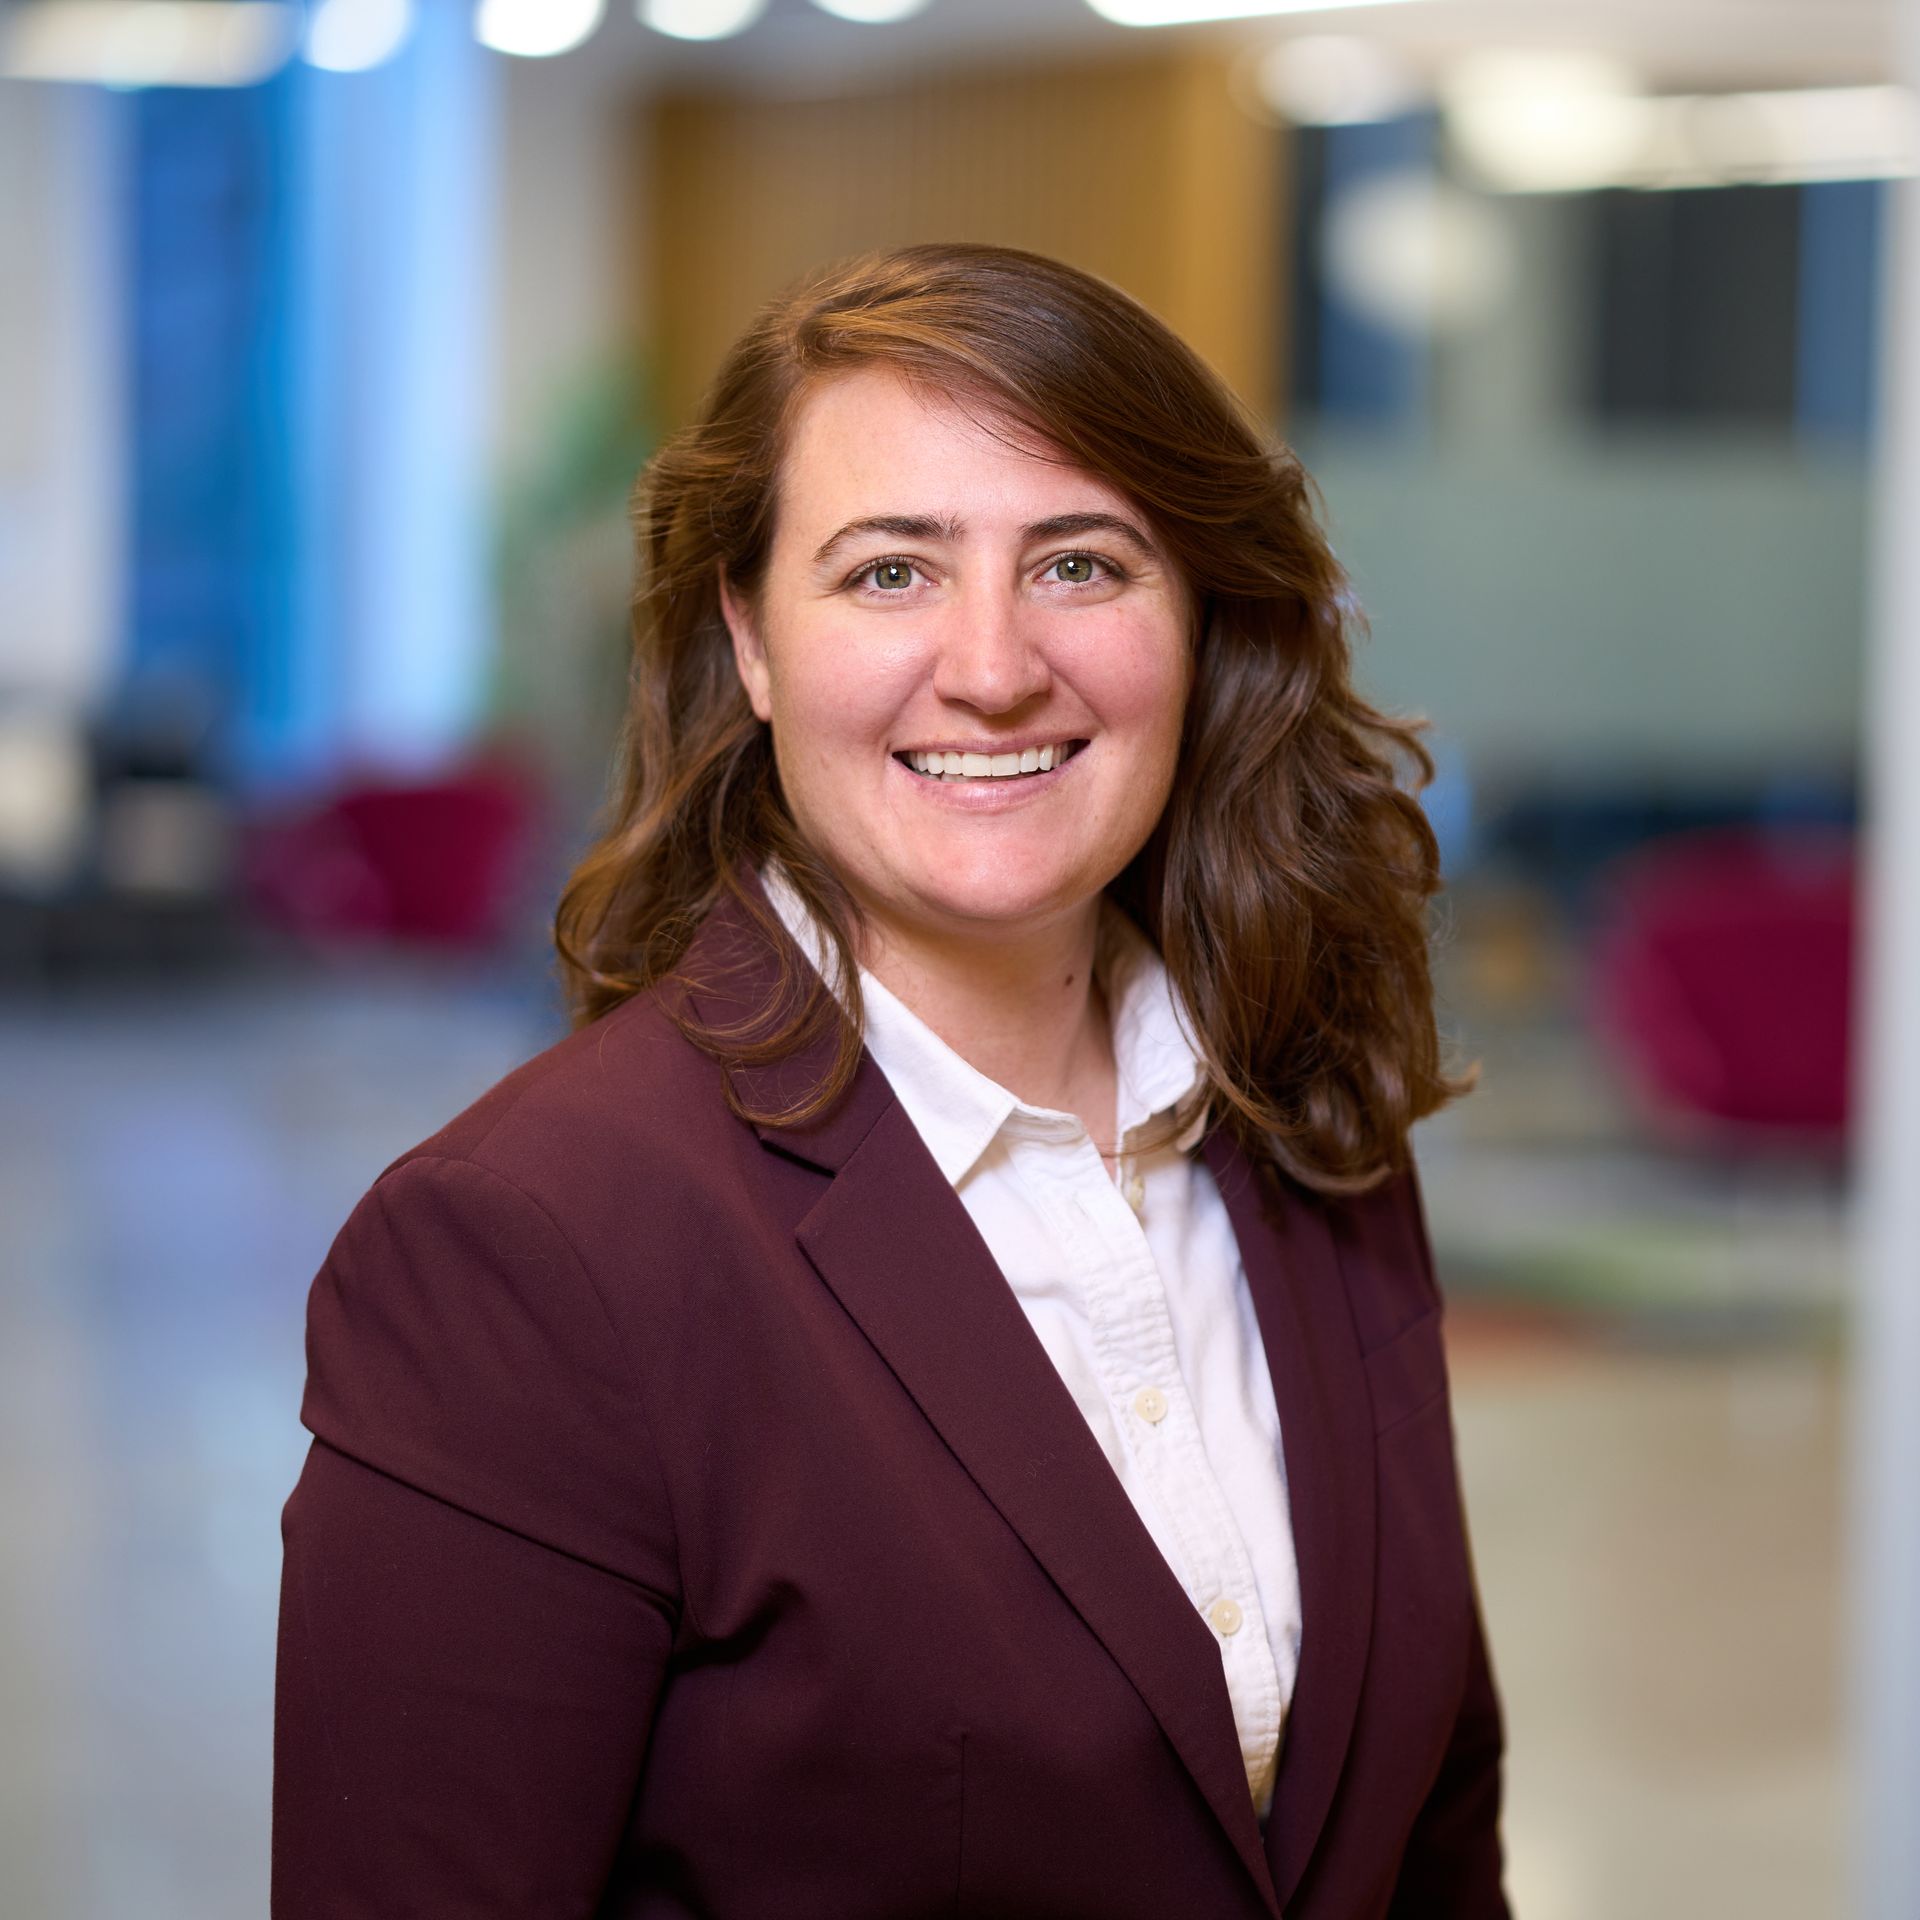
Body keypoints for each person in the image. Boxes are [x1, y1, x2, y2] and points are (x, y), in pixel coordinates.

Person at [273, 242, 1509, 1919]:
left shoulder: (1314, 1130)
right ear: (752, 639)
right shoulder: (530, 1251)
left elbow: (1432, 1835)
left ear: (1203, 620)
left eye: (1081, 564)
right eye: (887, 575)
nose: (995, 666)